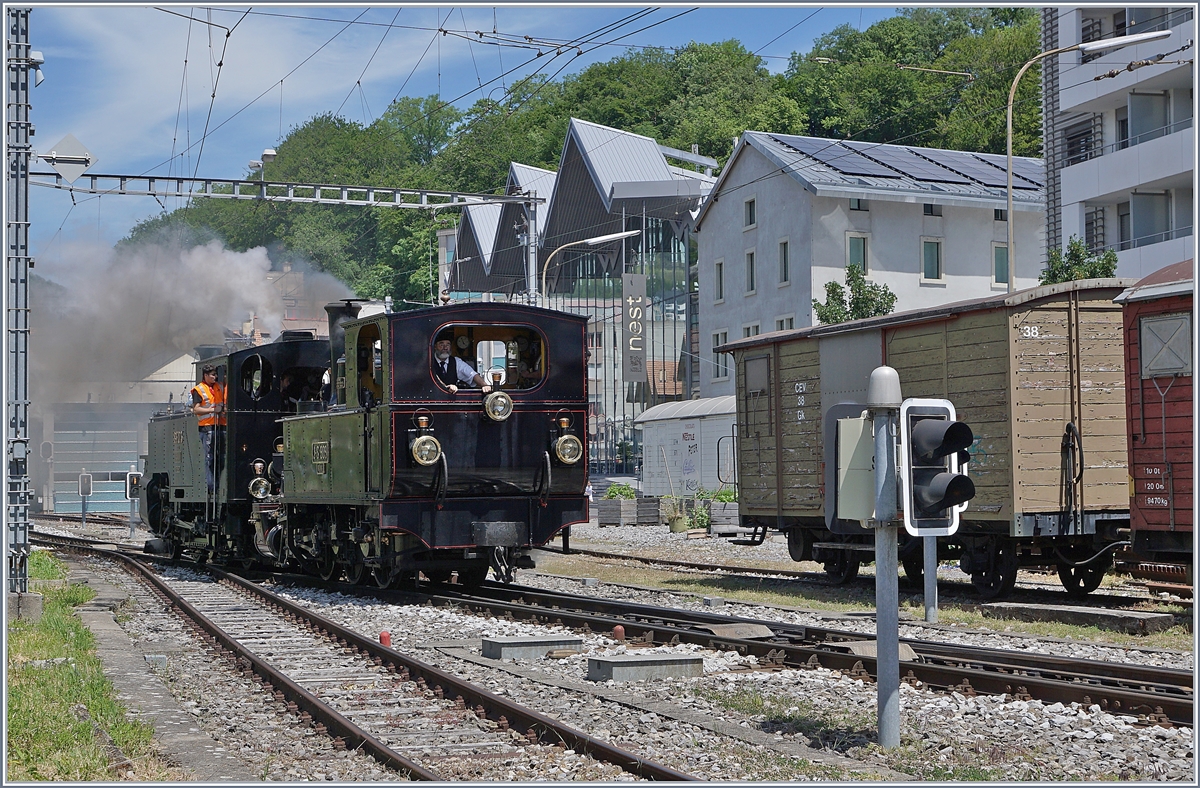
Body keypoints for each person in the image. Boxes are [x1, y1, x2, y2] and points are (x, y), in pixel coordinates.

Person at [191, 363, 226, 494]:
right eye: (212, 375)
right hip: (207, 427)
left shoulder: (219, 387)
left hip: (221, 425)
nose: (215, 377)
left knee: (221, 457)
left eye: (215, 374)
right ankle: (212, 487)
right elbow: (196, 409)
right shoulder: (199, 389)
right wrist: (212, 410)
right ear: (205, 375)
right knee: (209, 458)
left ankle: (219, 484)